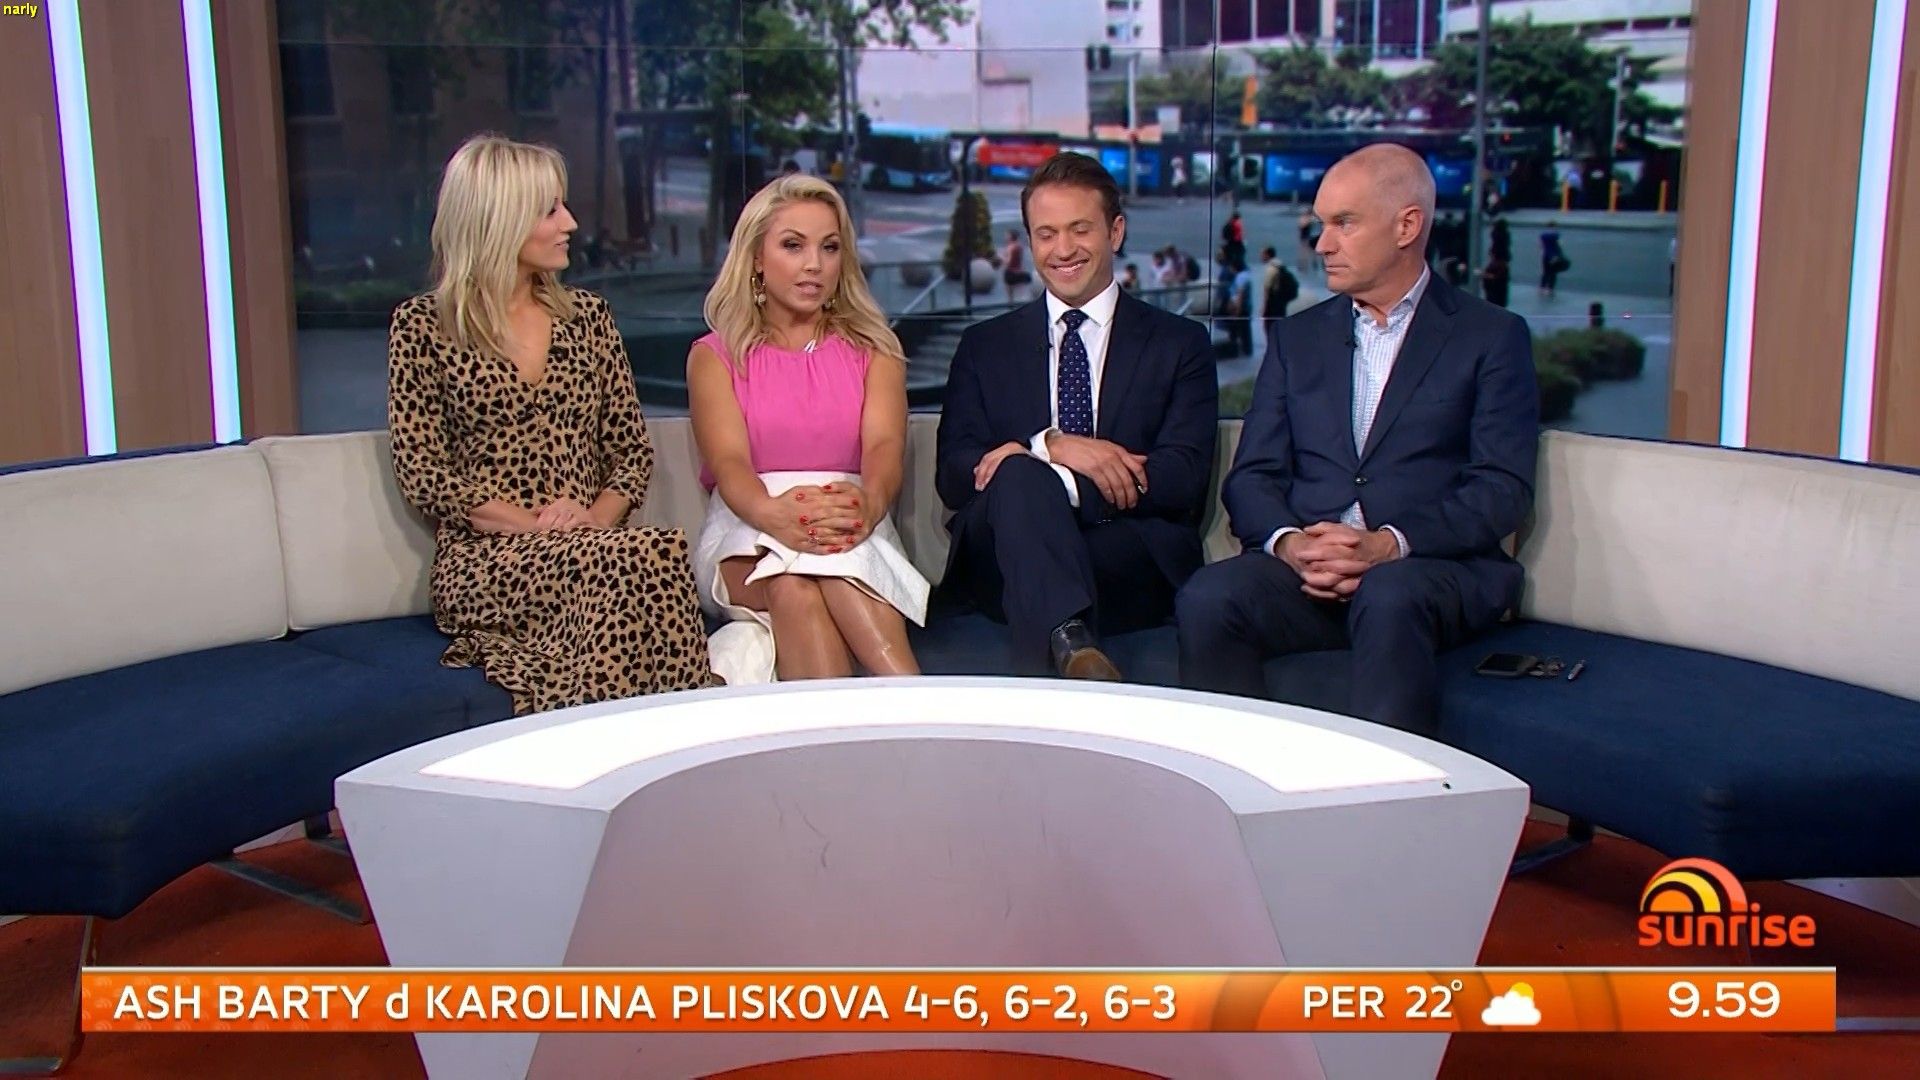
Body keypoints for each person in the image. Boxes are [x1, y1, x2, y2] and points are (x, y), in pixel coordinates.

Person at [1176, 143, 1539, 735]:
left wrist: (1388, 545)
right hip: (1309, 566)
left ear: (1407, 226)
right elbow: (1253, 476)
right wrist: (1292, 544)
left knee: (1389, 596)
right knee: (1209, 597)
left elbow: (1501, 487)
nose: (1322, 243)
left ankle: (1391, 789)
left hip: (1428, 568)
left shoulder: (1491, 337)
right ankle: (1239, 775)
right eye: (1322, 224)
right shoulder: (1297, 339)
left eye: (1343, 223)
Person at [385, 134, 714, 714]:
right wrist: (537, 527)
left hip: (590, 545)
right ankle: (677, 729)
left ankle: (629, 737)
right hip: (486, 560)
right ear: (500, 219)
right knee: (638, 559)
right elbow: (424, 473)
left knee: (646, 552)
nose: (570, 223)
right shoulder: (424, 327)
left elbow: (631, 452)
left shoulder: (588, 318)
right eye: (550, 210)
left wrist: (591, 521)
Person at [935, 152, 1218, 679]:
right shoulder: (984, 346)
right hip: (1002, 557)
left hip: (1125, 554)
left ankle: (1063, 639)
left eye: (1079, 230)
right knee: (1017, 474)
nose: (1062, 250)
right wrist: (1051, 445)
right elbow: (954, 474)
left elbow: (1183, 477)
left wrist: (1048, 476)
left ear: (1116, 232)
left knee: (1018, 475)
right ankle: (1073, 648)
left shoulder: (1180, 343)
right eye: (1046, 234)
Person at [686, 175, 927, 683]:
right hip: (747, 522)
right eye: (793, 246)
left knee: (805, 581)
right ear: (756, 256)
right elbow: (729, 462)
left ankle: (883, 712)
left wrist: (869, 505)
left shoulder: (876, 350)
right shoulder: (714, 356)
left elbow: (884, 447)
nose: (814, 264)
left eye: (829, 247)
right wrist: (771, 512)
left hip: (851, 516)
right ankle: (917, 703)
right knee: (804, 572)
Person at [1261, 245, 1299, 336]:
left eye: (1262, 254)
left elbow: (1267, 289)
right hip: (1281, 301)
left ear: (1267, 255)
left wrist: (1264, 308)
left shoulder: (1270, 269)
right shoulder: (1280, 265)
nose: (1261, 256)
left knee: (1270, 327)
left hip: (1273, 303)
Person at [1001, 228, 1033, 303]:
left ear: (1011, 237)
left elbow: (1008, 262)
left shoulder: (1010, 248)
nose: (1005, 237)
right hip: (1019, 271)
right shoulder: (1019, 246)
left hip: (1010, 272)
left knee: (1010, 293)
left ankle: (1011, 305)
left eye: (1007, 235)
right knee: (1020, 293)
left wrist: (1002, 259)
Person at [1540, 223, 1567, 296]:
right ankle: (1550, 289)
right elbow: (1560, 244)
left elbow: (1541, 246)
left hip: (1546, 255)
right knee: (1553, 273)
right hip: (1554, 256)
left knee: (1545, 272)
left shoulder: (1543, 235)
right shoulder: (1556, 235)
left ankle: (1542, 288)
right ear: (1554, 227)